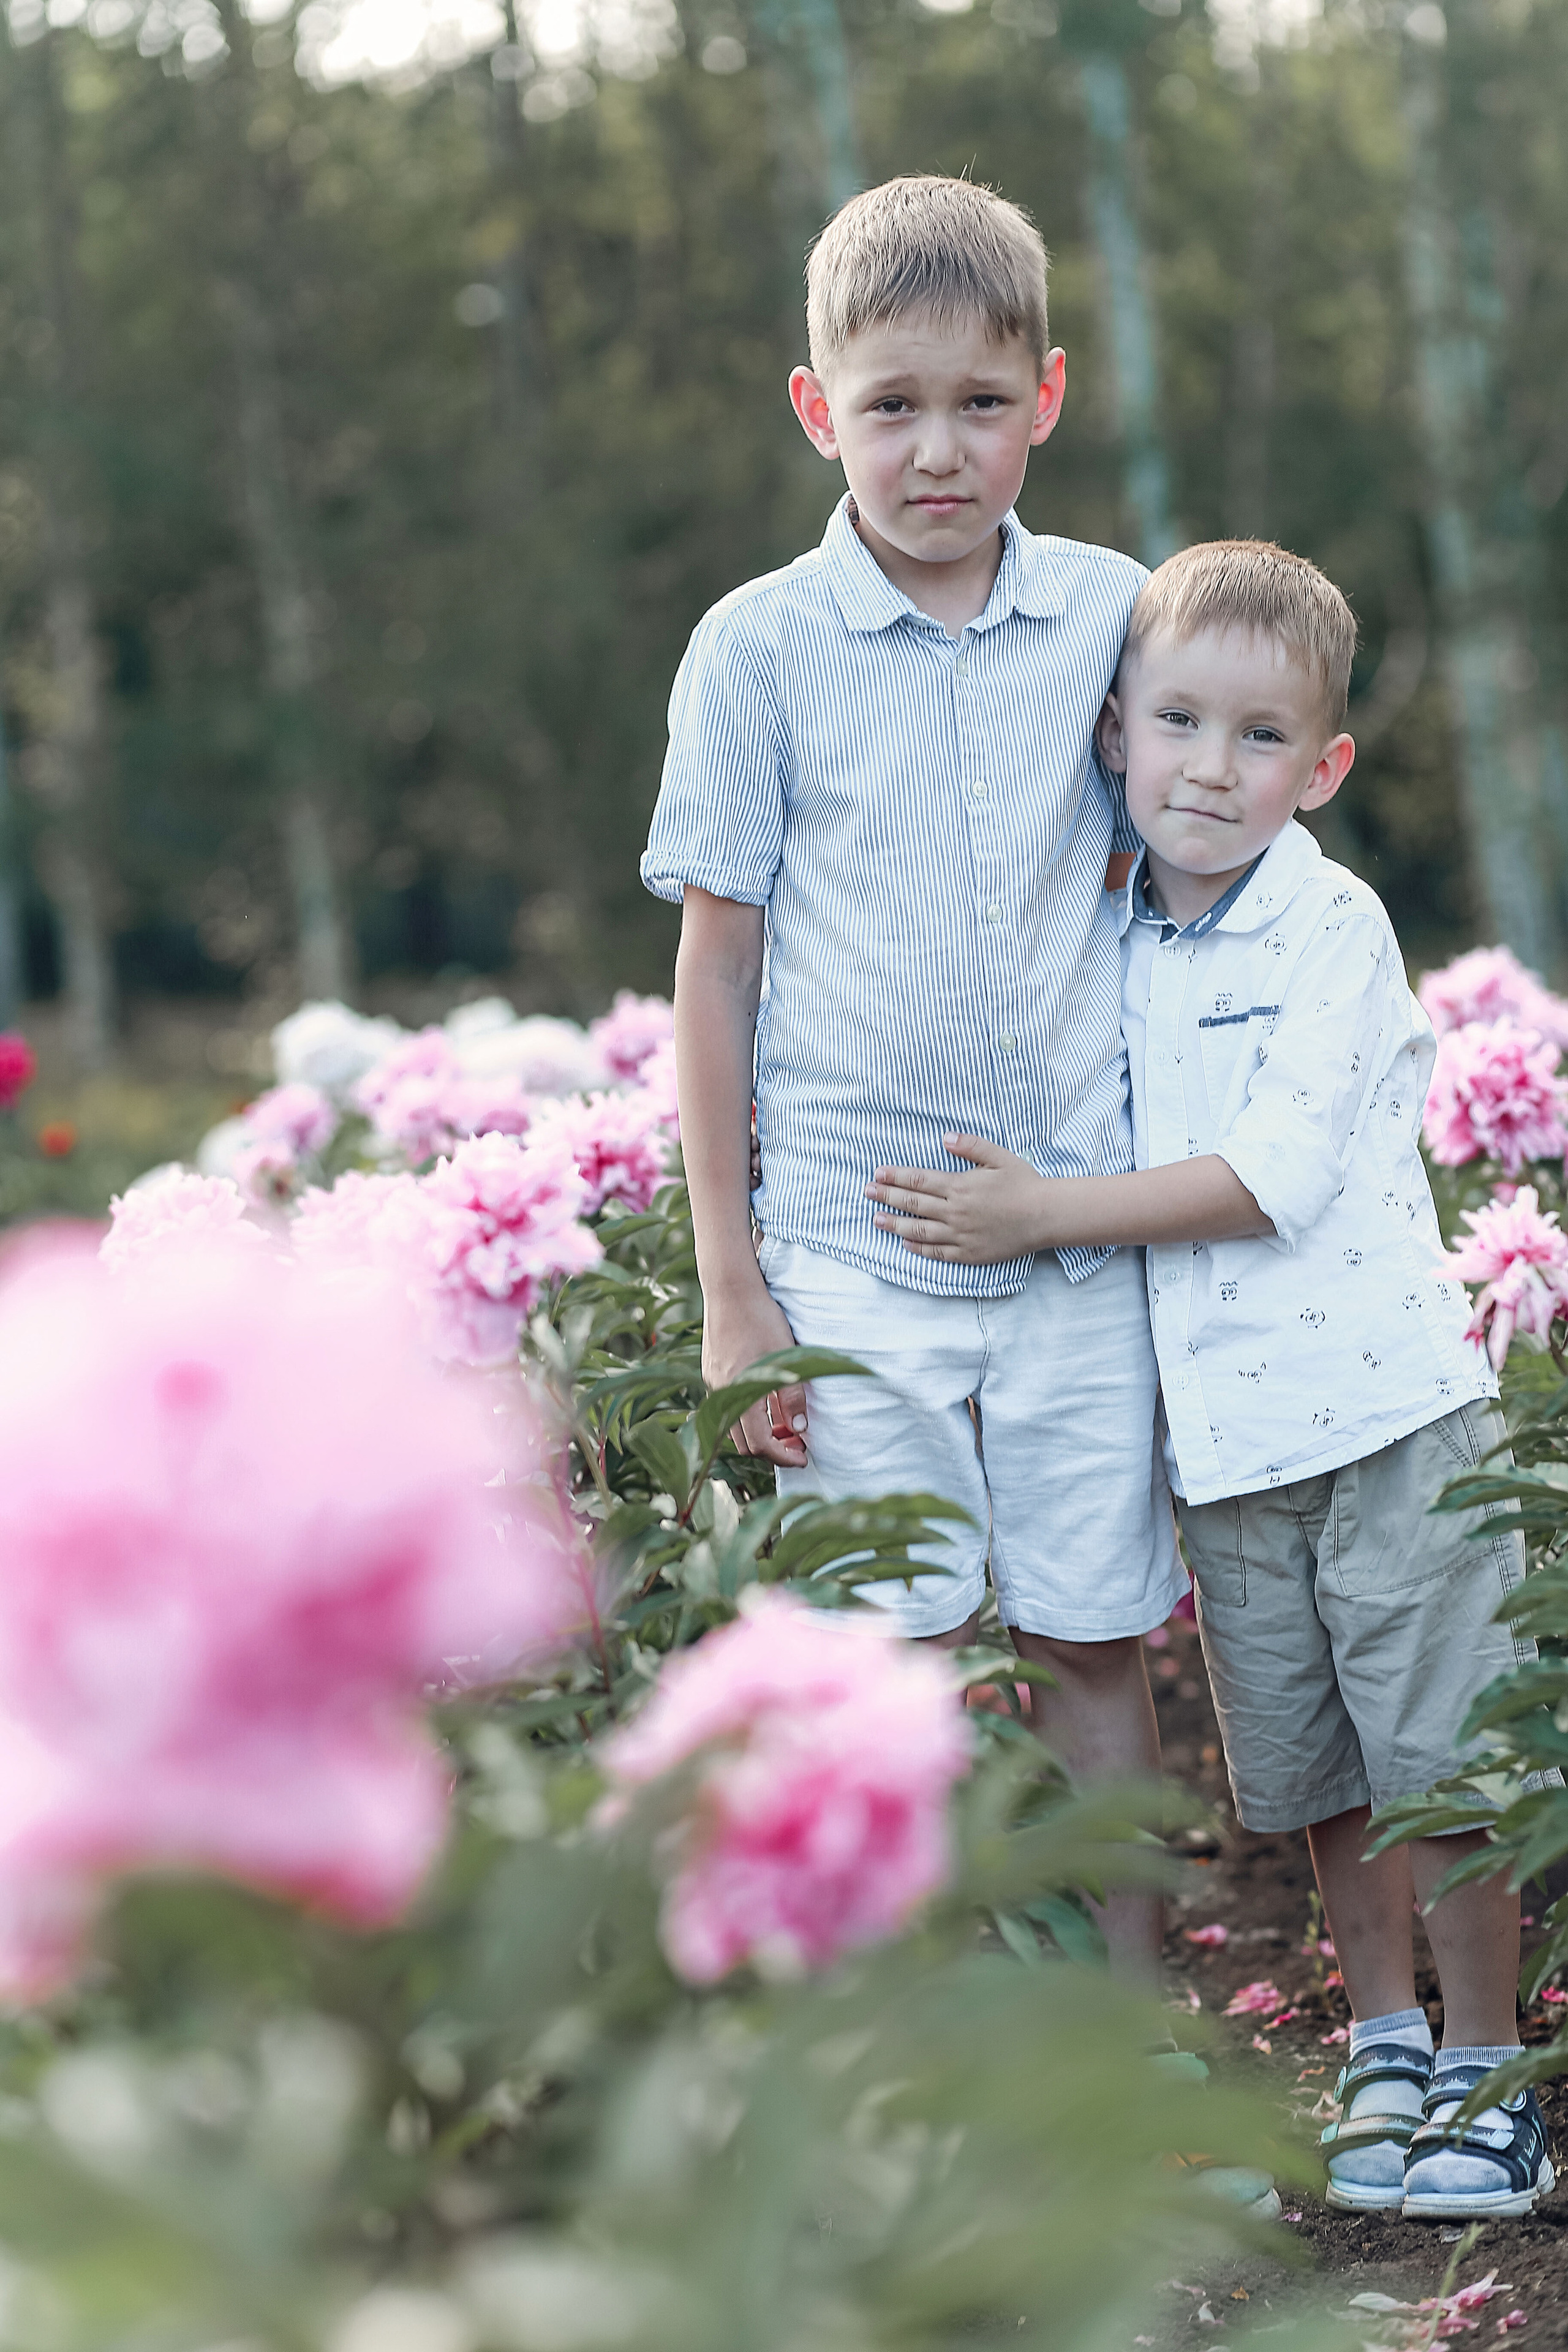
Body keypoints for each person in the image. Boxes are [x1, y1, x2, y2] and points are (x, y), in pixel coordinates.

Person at [867, 538, 1555, 2223]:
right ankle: (1383, 2036)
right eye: (1178, 721)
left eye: (1260, 739)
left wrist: (1037, 1219)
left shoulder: (1329, 922)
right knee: (1311, 1772)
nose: (1210, 767)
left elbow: (1272, 1174)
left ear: (1320, 767)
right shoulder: (1110, 934)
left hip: (1390, 1422)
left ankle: (1490, 2066)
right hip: (1233, 1451)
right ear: (1116, 733)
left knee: (1442, 1758)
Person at [640, 176, 1187, 1989]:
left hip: (1075, 1236)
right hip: (849, 1251)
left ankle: (1129, 2040)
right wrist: (738, 1297)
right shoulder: (758, 651)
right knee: (893, 1655)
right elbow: (716, 971)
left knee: (1098, 1646)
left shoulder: (1118, 618)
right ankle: (922, 2042)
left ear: (1047, 395)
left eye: (977, 401)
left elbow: (1184, 873)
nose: (936, 449)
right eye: (891, 405)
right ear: (820, 411)